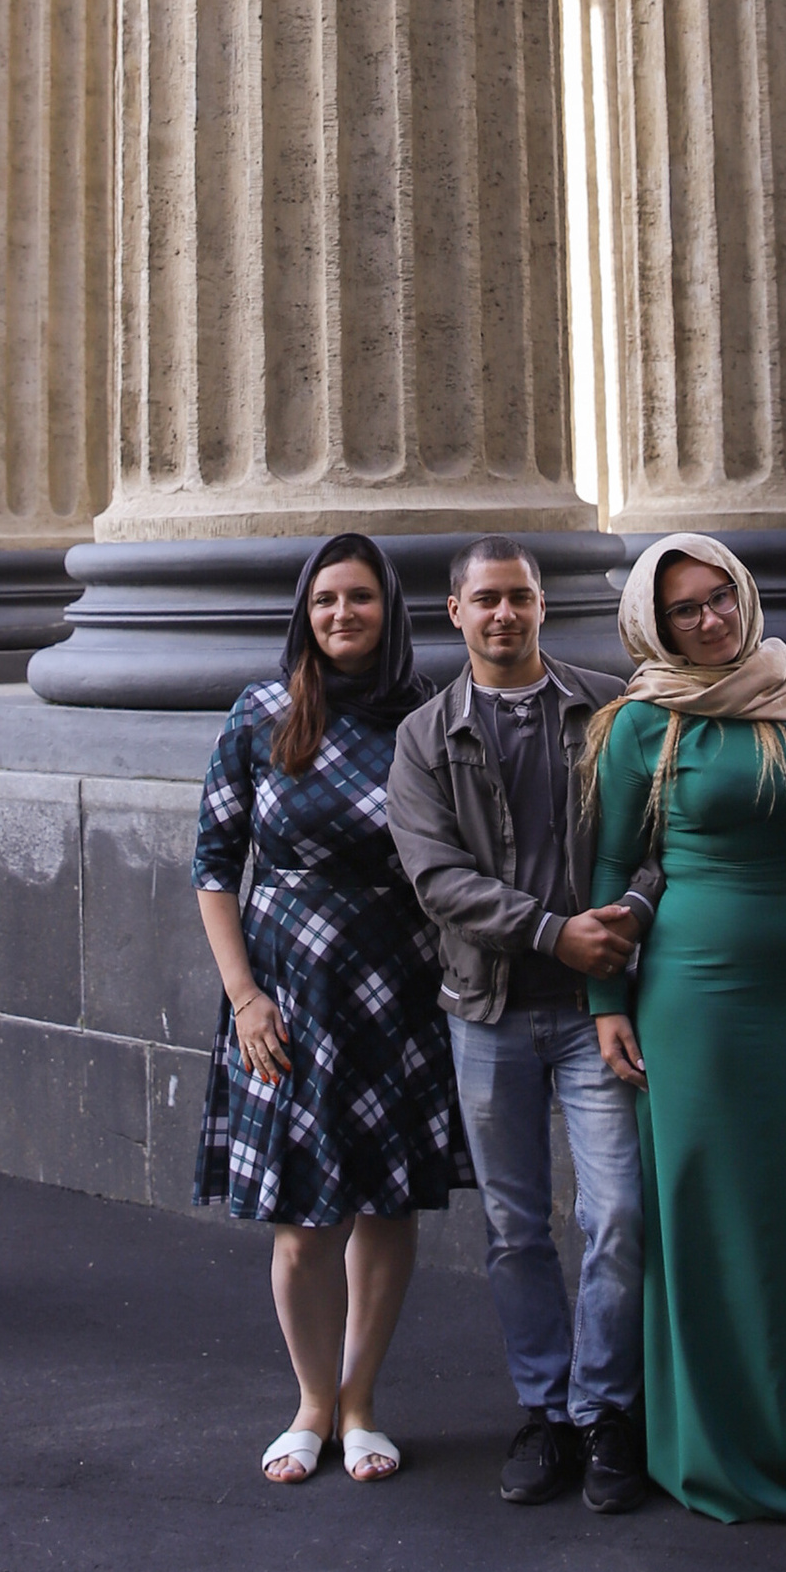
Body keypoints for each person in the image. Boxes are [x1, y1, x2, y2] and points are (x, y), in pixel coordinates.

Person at [585, 532, 786, 1524]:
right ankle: (727, 1452)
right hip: (693, 998)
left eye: (723, 596)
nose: (713, 618)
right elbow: (606, 872)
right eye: (688, 607)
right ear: (655, 621)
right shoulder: (643, 724)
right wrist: (605, 1007)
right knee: (712, 1217)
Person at [191, 533, 468, 1485]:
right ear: (303, 615)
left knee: (386, 1204)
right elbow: (213, 868)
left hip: (398, 986)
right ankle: (311, 1400)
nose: (341, 614)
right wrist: (244, 997)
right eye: (324, 601)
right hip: (285, 998)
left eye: (359, 598)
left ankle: (361, 1400)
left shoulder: (426, 716)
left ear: (390, 609)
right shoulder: (262, 713)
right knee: (302, 1222)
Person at [387, 541, 658, 1514]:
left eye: (521, 598)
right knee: (514, 1228)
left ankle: (605, 1410)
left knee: (617, 1215)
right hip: (490, 1013)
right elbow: (436, 878)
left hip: (596, 1017)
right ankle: (545, 1408)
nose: (505, 614)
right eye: (486, 599)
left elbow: (658, 835)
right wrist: (553, 931)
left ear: (542, 606)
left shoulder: (608, 706)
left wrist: (626, 912)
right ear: (455, 611)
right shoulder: (425, 737)